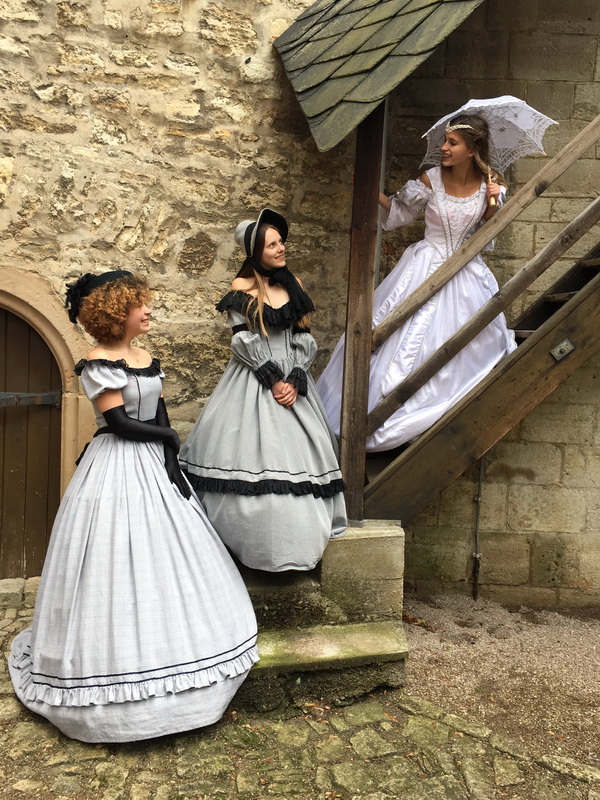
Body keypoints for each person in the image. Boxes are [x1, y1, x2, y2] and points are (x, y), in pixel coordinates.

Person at [8, 270, 258, 743]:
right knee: (114, 554)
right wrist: (168, 436)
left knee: (171, 551)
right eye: (139, 305)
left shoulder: (144, 357)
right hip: (116, 463)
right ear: (116, 312)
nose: (148, 310)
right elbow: (119, 422)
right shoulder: (97, 363)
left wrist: (171, 461)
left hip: (153, 463)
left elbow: (157, 410)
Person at [317, 114, 517, 451]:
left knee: (456, 342)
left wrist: (494, 202)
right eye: (445, 140)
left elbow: (487, 236)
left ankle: (437, 406)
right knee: (394, 335)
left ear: (471, 149)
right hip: (423, 265)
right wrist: (370, 190)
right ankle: (372, 413)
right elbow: (398, 214)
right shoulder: (431, 178)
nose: (444, 148)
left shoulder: (491, 185)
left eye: (452, 142)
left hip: (466, 270)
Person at [179, 208, 346, 572]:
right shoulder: (242, 288)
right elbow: (242, 341)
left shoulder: (293, 283)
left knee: (307, 452)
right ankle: (252, 543)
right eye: (272, 245)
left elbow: (304, 336)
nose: (281, 248)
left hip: (294, 379)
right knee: (248, 454)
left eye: (281, 242)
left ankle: (299, 544)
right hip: (253, 378)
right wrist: (272, 379)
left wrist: (296, 375)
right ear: (256, 251)